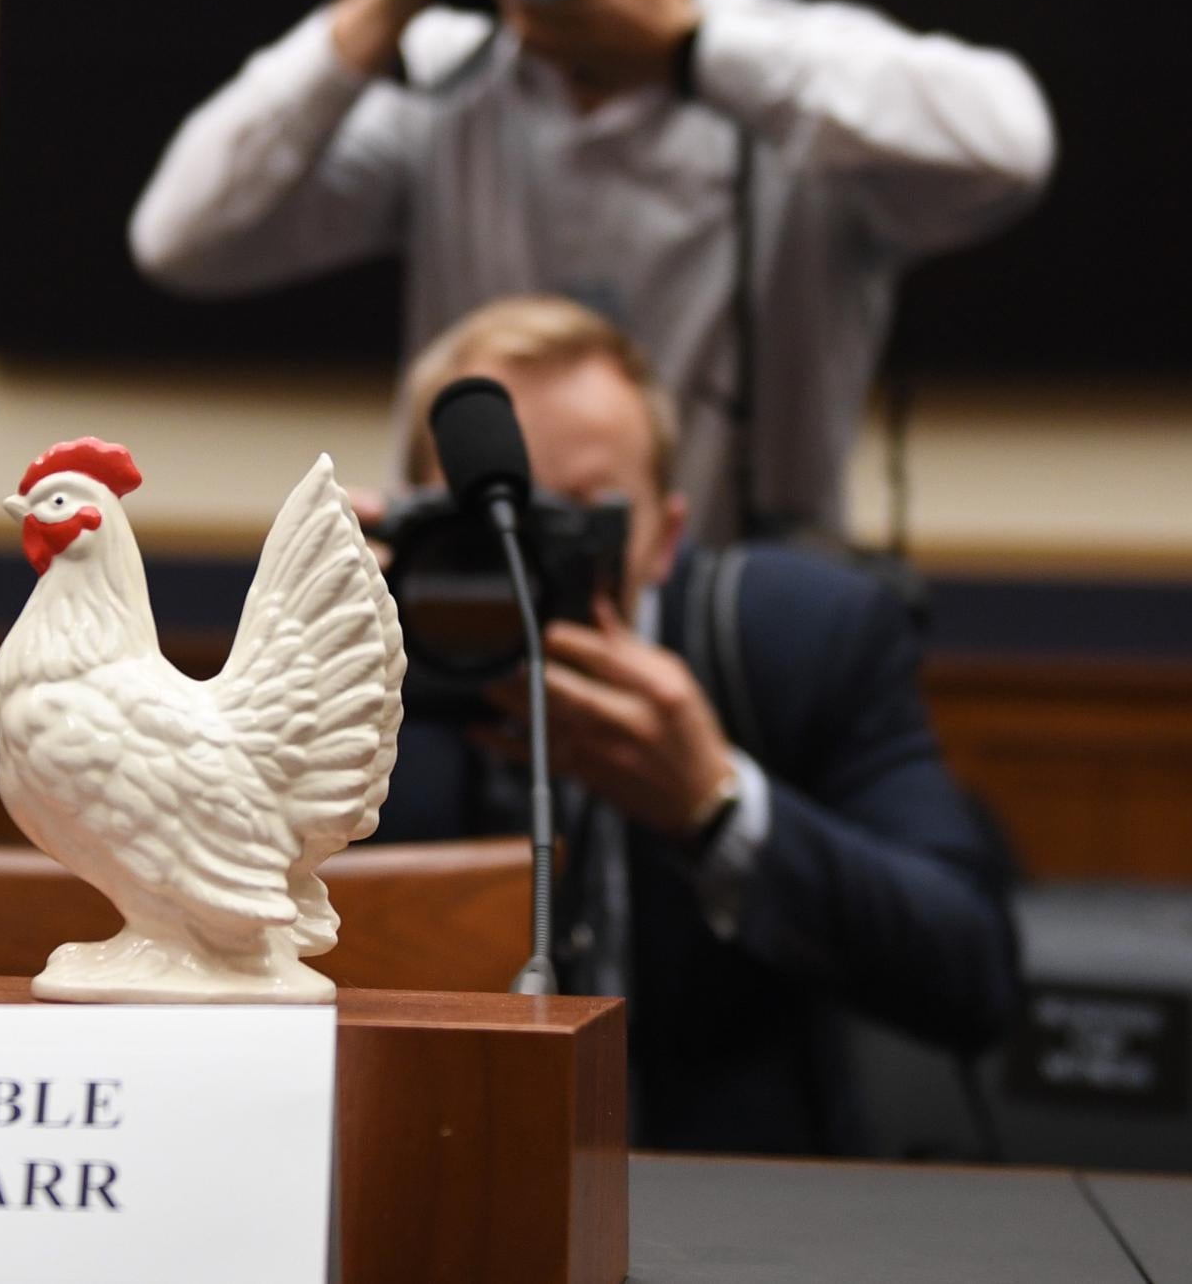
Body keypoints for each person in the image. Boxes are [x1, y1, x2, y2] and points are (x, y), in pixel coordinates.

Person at [129, 0, 1055, 542]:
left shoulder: (802, 71)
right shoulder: (444, 83)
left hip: (735, 628)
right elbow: (183, 238)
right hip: (475, 610)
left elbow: (1009, 142)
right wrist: (376, 7)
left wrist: (695, 52)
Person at [373, 294, 1019, 1155]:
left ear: (667, 537)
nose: (532, 557)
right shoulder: (375, 672)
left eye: (580, 515)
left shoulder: (799, 640)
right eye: (492, 518)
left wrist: (715, 808)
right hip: (446, 1179)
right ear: (417, 521)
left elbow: (973, 971)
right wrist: (314, 634)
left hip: (737, 1203)